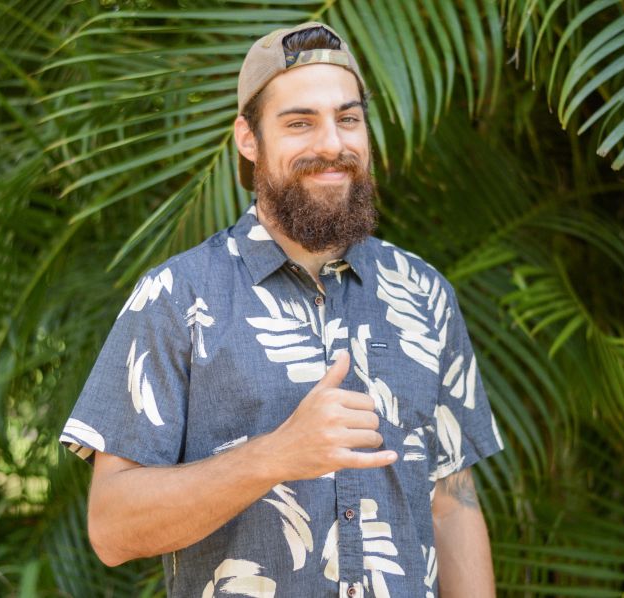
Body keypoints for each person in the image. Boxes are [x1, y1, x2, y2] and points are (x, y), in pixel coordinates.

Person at [60, 21, 504, 598]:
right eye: (300, 123)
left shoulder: (424, 292)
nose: (332, 145)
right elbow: (111, 528)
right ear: (248, 138)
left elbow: (451, 506)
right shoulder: (176, 298)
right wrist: (273, 457)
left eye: (348, 119)